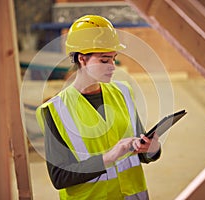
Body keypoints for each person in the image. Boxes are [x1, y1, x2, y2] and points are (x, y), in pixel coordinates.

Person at [36, 15, 161, 200]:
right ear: (82, 60)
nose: (112, 66)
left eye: (113, 59)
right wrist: (108, 158)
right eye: (104, 60)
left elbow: (142, 154)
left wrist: (153, 149)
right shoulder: (54, 111)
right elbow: (59, 177)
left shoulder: (123, 93)